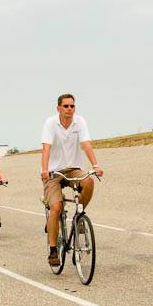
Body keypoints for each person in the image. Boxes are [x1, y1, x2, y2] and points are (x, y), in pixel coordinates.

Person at [41, 93, 105, 266]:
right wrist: (44, 169)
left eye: (72, 106)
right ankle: (54, 250)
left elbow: (86, 145)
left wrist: (96, 165)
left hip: (73, 169)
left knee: (89, 181)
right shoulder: (50, 123)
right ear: (58, 108)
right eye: (66, 106)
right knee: (56, 207)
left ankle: (79, 216)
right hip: (53, 172)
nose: (70, 109)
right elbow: (46, 148)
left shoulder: (80, 122)